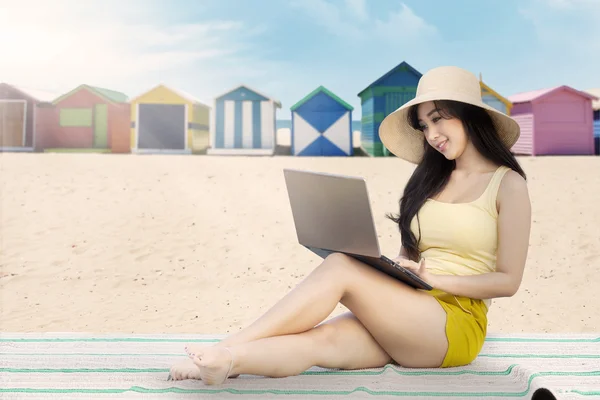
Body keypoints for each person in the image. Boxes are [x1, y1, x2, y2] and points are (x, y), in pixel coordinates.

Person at [168, 65, 532, 385]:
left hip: (454, 325)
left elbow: (508, 281)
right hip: (410, 312)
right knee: (320, 343)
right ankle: (227, 363)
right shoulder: (427, 181)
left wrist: (436, 280)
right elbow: (411, 257)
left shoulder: (507, 185)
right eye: (424, 125)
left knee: (341, 265)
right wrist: (391, 270)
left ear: (469, 115)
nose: (431, 133)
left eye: (439, 118)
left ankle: (227, 344)